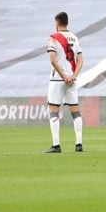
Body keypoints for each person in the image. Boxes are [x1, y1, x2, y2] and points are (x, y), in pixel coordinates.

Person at [44, 12, 84, 153]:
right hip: (72, 80)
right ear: (67, 22)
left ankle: (56, 145)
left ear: (57, 23)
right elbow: (80, 61)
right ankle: (78, 144)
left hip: (57, 79)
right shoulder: (75, 38)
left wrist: (63, 76)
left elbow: (53, 60)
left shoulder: (53, 38)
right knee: (75, 111)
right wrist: (72, 76)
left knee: (54, 110)